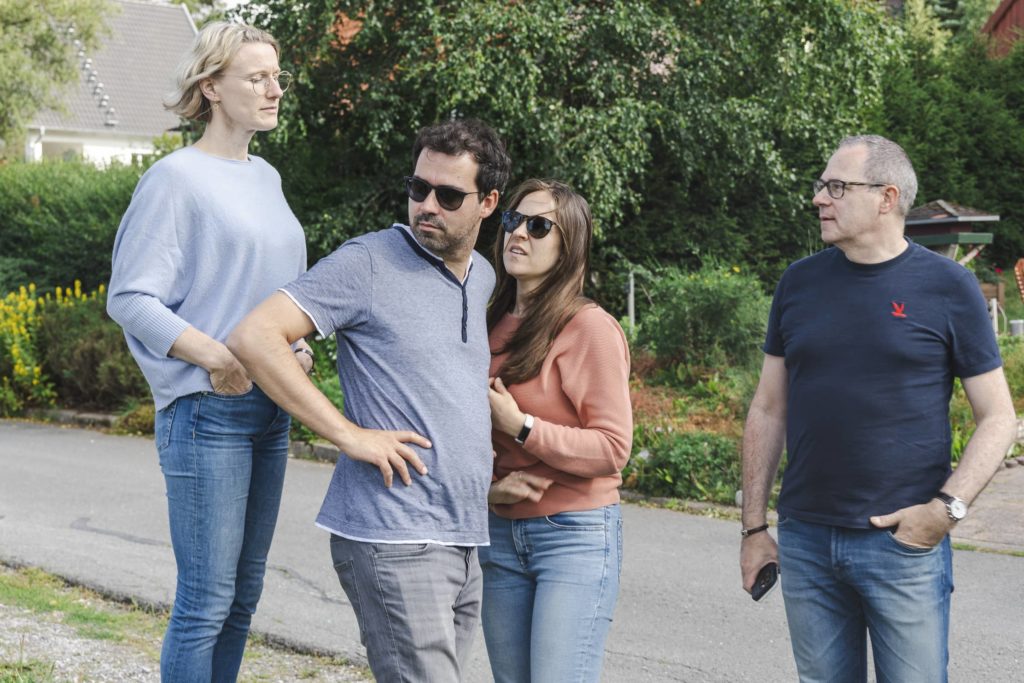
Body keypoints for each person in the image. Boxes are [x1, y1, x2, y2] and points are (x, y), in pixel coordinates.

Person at [227, 118, 510, 682]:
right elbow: (254, 336)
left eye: (448, 195)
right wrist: (347, 434)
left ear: (488, 203)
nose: (427, 205)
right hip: (394, 534)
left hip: (462, 536)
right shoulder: (369, 262)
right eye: (418, 188)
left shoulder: (481, 275)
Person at [739, 134, 1017, 682]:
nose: (820, 198)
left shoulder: (948, 286)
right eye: (821, 185)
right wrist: (753, 529)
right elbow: (768, 409)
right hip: (807, 538)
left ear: (887, 197)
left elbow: (999, 417)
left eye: (837, 187)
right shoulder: (798, 283)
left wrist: (946, 510)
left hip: (903, 545)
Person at [106, 22, 310, 682]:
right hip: (206, 414)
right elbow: (130, 297)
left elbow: (278, 294)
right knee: (205, 603)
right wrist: (218, 359)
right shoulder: (175, 179)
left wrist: (296, 348)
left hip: (270, 412)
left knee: (243, 600)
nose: (275, 90)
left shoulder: (268, 177)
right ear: (212, 87)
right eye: (258, 78)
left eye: (278, 77)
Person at [480, 179, 632, 683]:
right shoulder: (487, 321)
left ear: (569, 246)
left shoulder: (588, 327)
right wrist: (487, 490)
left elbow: (612, 448)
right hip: (500, 534)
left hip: (573, 535)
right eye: (513, 220)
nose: (519, 233)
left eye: (539, 226)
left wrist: (521, 427)